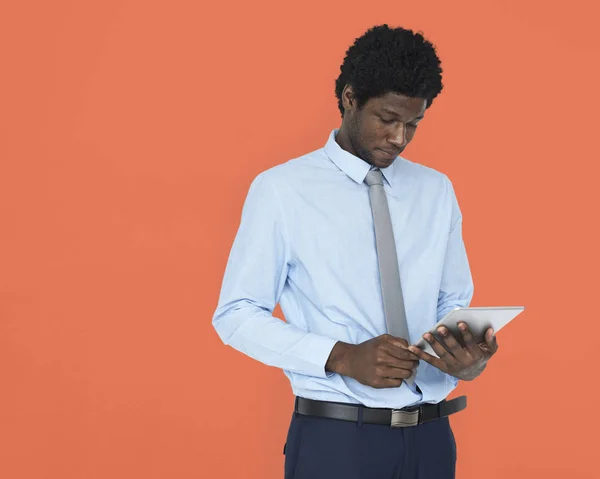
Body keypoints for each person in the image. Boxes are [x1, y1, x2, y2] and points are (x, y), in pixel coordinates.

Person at [212, 24, 499, 479]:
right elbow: (235, 314)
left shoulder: (436, 190)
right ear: (349, 98)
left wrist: (467, 355)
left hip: (431, 440)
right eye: (387, 119)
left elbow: (452, 302)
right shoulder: (282, 190)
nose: (399, 138)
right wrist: (342, 356)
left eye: (414, 124)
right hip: (338, 441)